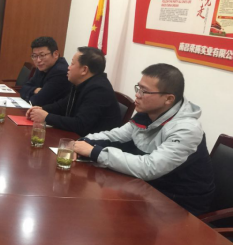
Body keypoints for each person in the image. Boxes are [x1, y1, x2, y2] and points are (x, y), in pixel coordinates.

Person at [73, 64, 215, 215]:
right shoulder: (148, 113)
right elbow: (115, 136)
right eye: (138, 88)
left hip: (180, 205)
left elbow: (149, 167)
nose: (137, 95)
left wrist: (95, 152)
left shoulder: (187, 129)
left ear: (168, 99)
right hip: (149, 189)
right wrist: (84, 142)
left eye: (144, 91)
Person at [26, 46, 121, 137]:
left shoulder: (99, 90)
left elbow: (80, 125)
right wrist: (41, 109)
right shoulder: (81, 83)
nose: (68, 67)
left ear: (84, 70)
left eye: (72, 64)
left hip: (95, 144)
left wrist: (46, 117)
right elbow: (62, 105)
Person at [20, 36, 70, 106]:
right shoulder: (43, 66)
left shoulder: (60, 72)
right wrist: (35, 90)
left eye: (42, 55)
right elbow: (23, 88)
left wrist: (30, 92)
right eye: (34, 56)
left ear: (55, 54)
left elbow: (36, 101)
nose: (38, 60)